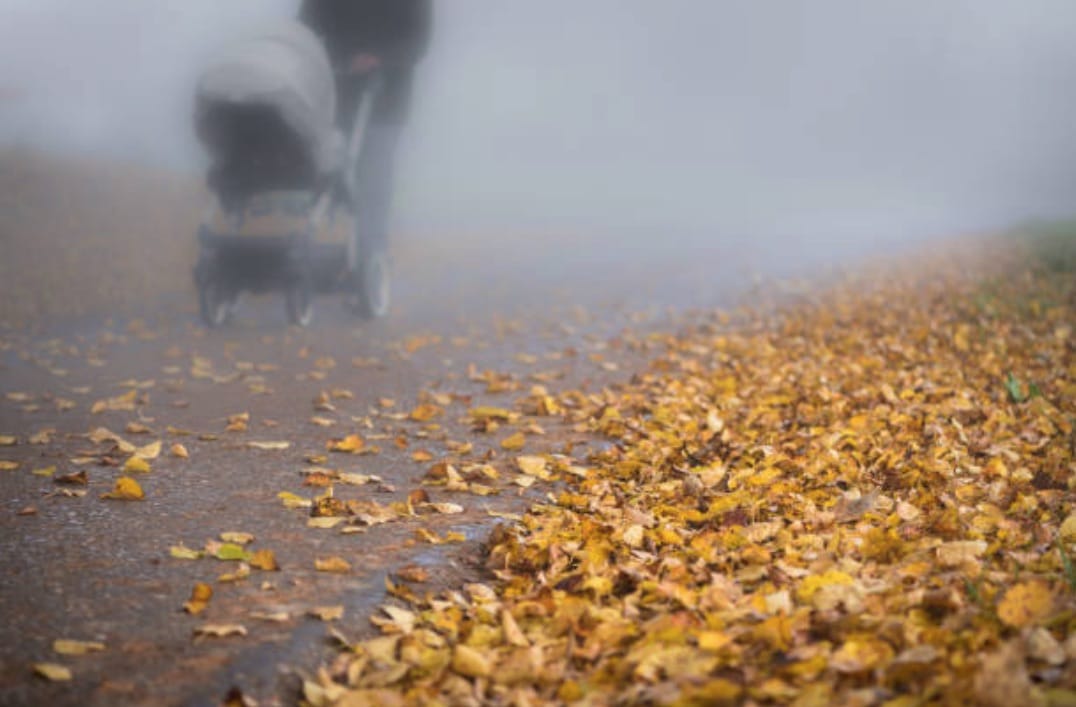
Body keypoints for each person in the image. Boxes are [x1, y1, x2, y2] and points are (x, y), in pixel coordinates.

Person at [298, 0, 432, 274]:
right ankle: (307, 237)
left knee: (374, 173)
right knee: (325, 167)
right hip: (334, 93)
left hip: (385, 100)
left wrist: (379, 57)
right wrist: (336, 58)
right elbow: (305, 28)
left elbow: (417, 41)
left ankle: (372, 252)